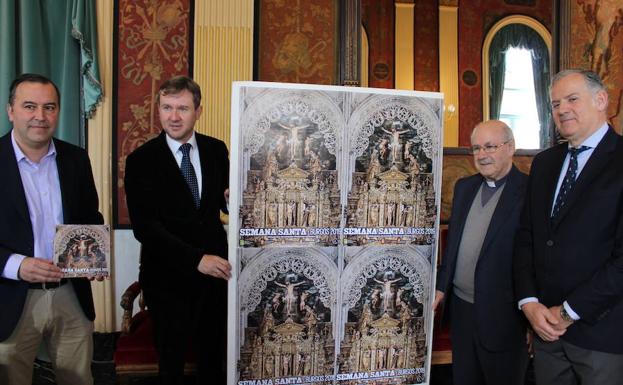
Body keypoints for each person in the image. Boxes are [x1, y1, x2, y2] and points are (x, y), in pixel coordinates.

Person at [514, 69, 623, 385]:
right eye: (555, 103)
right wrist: (529, 303)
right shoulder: (545, 163)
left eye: (572, 99)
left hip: (602, 336)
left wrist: (568, 312)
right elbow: (526, 238)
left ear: (601, 100)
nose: (561, 109)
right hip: (545, 331)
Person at [124, 75, 231, 385]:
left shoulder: (215, 149)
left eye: (182, 108)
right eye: (166, 107)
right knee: (170, 365)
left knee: (214, 360)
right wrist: (197, 259)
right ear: (158, 110)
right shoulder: (141, 160)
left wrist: (229, 202)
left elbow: (221, 207)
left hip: (216, 278)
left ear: (199, 111)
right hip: (167, 280)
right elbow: (146, 228)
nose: (173, 116)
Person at [0, 73, 104, 385]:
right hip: (11, 299)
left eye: (49, 107)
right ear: (11, 111)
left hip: (70, 294)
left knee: (79, 379)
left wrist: (97, 255)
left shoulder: (75, 159)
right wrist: (18, 265)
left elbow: (90, 216)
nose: (40, 116)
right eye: (30, 106)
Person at [433, 120, 529, 385]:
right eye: (476, 148)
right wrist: (441, 287)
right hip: (462, 311)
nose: (482, 155)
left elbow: (537, 259)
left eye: (490, 146)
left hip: (505, 315)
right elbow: (452, 246)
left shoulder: (530, 191)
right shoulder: (464, 187)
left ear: (510, 148)